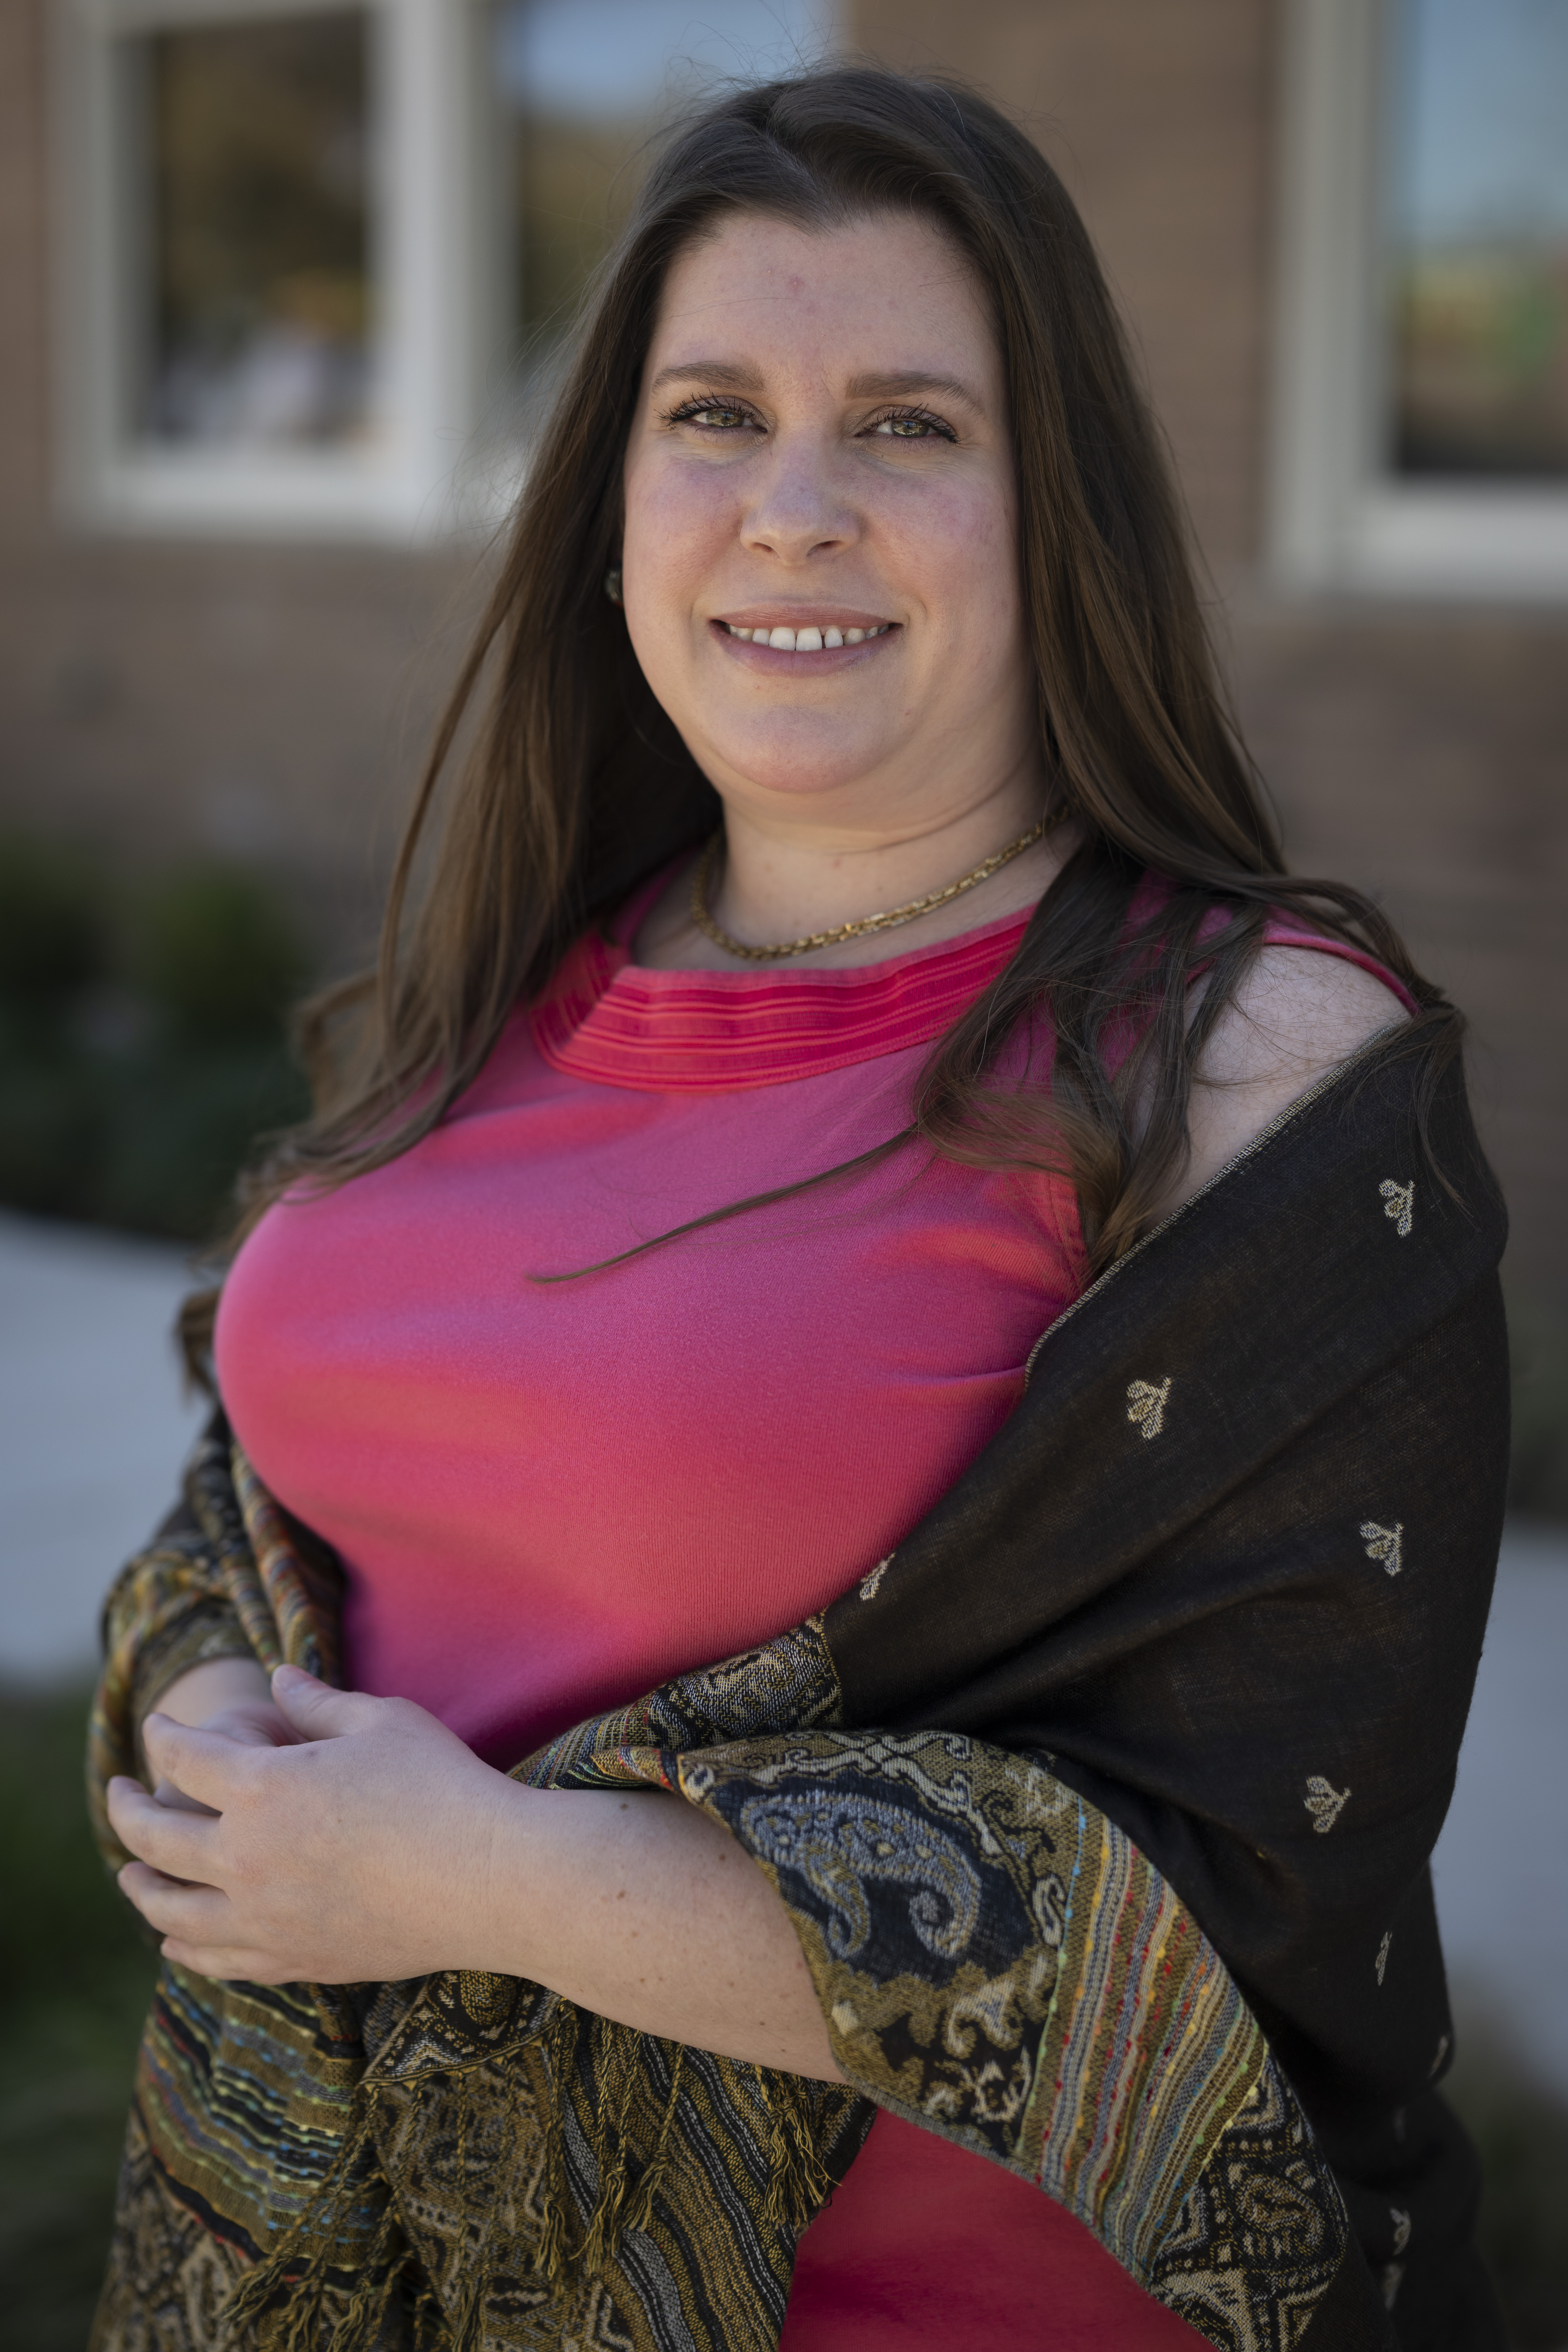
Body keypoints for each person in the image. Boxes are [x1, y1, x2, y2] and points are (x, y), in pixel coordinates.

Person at [88, 65, 1509, 2352]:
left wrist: (482, 1878)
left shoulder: (1246, 1057)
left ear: (1062, 510)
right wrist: (209, 1713)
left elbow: (1244, 1895)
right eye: (715, 412)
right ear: (614, 493)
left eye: (912, 427)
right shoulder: (523, 964)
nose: (792, 509)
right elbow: (263, 1505)